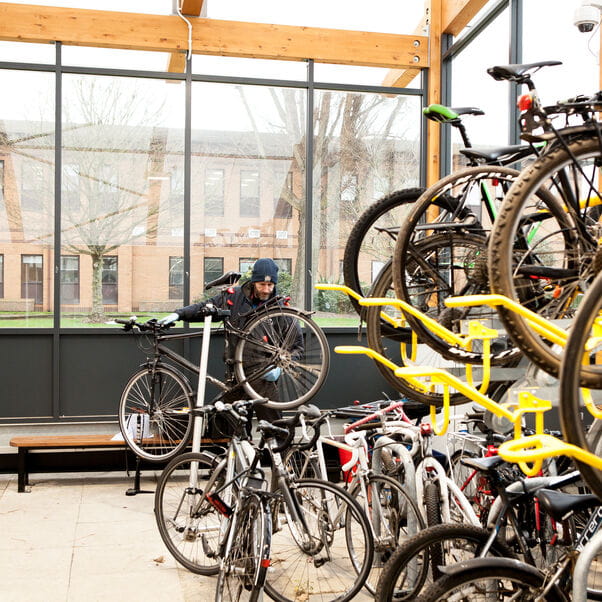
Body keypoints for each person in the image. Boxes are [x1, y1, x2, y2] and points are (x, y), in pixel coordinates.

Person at [158, 258, 288, 432]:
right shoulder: (233, 297)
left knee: (276, 429)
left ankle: (280, 458)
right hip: (235, 376)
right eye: (262, 284)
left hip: (264, 378)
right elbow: (204, 307)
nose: (266, 289)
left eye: (270, 285)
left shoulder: (281, 308)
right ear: (253, 281)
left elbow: (296, 347)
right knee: (234, 432)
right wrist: (178, 314)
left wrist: (280, 368)